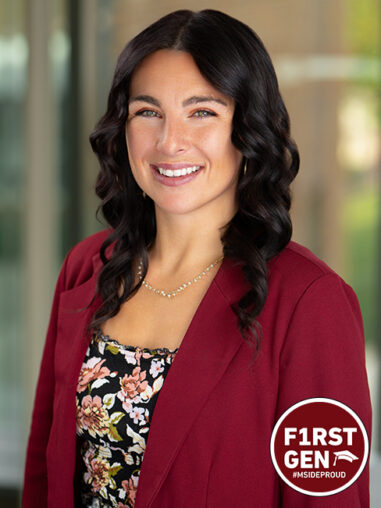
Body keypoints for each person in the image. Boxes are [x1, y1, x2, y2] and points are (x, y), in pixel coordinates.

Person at [23, 9, 371, 508]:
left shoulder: (312, 303)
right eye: (148, 112)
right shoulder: (87, 268)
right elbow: (43, 473)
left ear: (247, 128)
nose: (169, 142)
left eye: (202, 111)